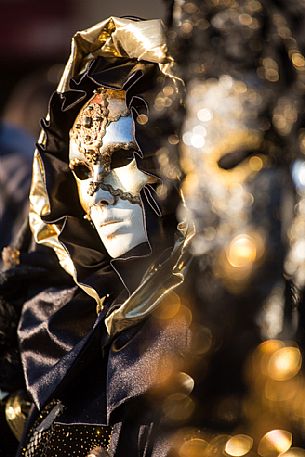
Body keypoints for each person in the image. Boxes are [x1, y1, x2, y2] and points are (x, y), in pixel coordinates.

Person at [0, 17, 190, 457]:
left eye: (120, 158)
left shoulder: (227, 322)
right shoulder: (55, 325)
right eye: (83, 172)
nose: (99, 197)